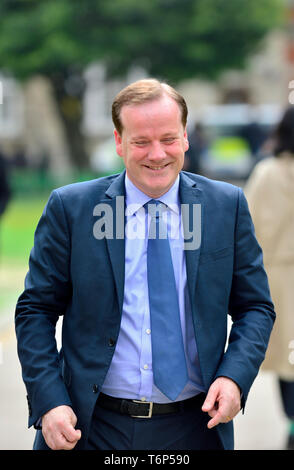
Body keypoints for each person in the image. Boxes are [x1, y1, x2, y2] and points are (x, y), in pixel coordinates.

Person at [15, 78, 275, 451]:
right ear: (119, 142)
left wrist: (234, 377)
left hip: (196, 428)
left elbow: (256, 307)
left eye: (168, 139)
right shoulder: (71, 209)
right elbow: (35, 310)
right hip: (90, 427)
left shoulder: (225, 206)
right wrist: (50, 400)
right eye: (141, 141)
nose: (157, 154)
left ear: (185, 137)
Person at [245, 106, 294, 450]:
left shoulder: (267, 174)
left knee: (287, 364)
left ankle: (292, 424)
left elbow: (247, 234)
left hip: (279, 280)